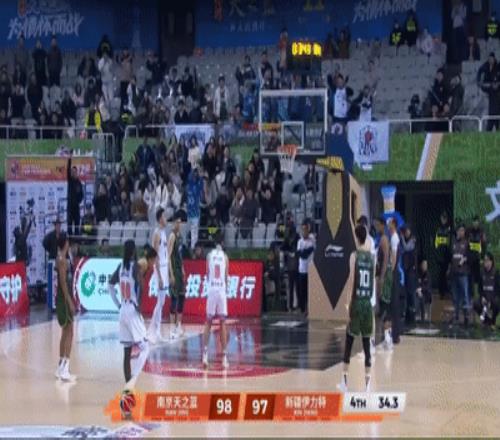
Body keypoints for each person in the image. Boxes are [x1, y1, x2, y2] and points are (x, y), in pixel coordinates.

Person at [108, 241, 153, 392]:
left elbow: (110, 285)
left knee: (127, 352)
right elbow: (141, 286)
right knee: (145, 348)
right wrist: (138, 305)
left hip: (123, 309)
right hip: (132, 310)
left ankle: (128, 388)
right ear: (134, 251)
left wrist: (118, 304)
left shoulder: (121, 267)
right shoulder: (135, 267)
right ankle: (133, 379)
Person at [338, 225, 374, 393]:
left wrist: (347, 304)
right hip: (367, 303)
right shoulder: (372, 257)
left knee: (349, 343)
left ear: (356, 237)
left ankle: (344, 383)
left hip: (357, 301)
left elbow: (352, 280)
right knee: (367, 344)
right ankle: (368, 385)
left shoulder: (354, 256)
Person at [202, 233, 230, 369]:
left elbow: (207, 274)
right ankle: (224, 357)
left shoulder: (209, 256)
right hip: (221, 291)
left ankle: (205, 354)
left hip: (212, 289)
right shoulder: (225, 257)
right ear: (222, 244)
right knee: (222, 322)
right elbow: (226, 277)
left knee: (208, 322)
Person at [55, 233, 76, 382]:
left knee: (65, 331)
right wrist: (69, 301)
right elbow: (63, 283)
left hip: (64, 296)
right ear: (66, 243)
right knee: (70, 331)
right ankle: (66, 368)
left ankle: (61, 365)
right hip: (64, 297)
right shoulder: (61, 260)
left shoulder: (63, 257)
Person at [148, 208, 169, 343]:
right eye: (164, 217)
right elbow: (154, 255)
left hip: (165, 268)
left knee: (162, 302)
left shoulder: (163, 232)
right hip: (160, 268)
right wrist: (160, 276)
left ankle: (156, 331)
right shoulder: (156, 234)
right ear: (160, 218)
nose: (166, 219)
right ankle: (152, 331)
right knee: (160, 301)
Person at [357, 216, 377, 354]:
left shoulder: (370, 241)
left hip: (368, 280)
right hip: (362, 280)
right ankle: (366, 343)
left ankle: (371, 341)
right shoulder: (360, 241)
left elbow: (372, 262)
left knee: (369, 311)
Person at [374, 217, 393, 350]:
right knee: (383, 306)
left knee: (385, 305)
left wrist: (382, 276)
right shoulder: (382, 238)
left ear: (382, 225)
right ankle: (386, 338)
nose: (376, 227)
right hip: (384, 274)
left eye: (377, 225)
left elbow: (386, 259)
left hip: (386, 276)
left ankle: (387, 338)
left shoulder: (384, 239)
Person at [168, 213, 186, 339]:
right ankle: (171, 328)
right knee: (174, 299)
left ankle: (179, 325)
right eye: (177, 222)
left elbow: (180, 256)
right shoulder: (172, 236)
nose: (179, 224)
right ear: (173, 223)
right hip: (174, 270)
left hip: (180, 271)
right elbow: (168, 256)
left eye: (180, 222)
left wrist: (183, 269)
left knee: (182, 297)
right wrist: (171, 274)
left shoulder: (180, 237)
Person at [449, 223, 471, 325]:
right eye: (460, 230)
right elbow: (451, 257)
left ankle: (466, 317)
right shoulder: (453, 243)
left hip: (463, 273)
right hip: (454, 273)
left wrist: (465, 259)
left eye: (463, 230)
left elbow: (470, 256)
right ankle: (456, 316)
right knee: (455, 296)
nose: (461, 232)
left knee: (465, 295)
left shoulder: (466, 243)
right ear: (457, 231)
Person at [473, 252, 500, 327]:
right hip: (484, 297)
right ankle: (487, 321)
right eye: (484, 260)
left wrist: (491, 300)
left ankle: (493, 320)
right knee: (476, 303)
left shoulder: (496, 273)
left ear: (491, 261)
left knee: (496, 303)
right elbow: (480, 288)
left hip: (493, 298)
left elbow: (498, 289)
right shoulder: (481, 273)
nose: (485, 262)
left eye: (487, 260)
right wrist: (482, 297)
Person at [477, 53, 500, 131]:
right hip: (490, 93)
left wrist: (496, 85)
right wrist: (487, 85)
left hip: (496, 94)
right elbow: (481, 80)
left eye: (492, 58)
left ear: (494, 59)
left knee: (495, 117)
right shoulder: (485, 67)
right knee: (492, 116)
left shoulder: (498, 67)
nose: (490, 60)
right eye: (489, 58)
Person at [297, 219, 315, 314]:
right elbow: (301, 255)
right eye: (303, 230)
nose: (304, 232)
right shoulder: (299, 242)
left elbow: (308, 252)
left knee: (309, 291)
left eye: (305, 229)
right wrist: (305, 251)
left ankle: (309, 308)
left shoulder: (312, 240)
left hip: (310, 270)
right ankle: (302, 308)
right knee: (302, 291)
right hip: (302, 270)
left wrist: (305, 251)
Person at [401, 225, 417, 325]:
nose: (406, 233)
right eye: (405, 231)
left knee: (411, 292)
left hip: (411, 270)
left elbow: (407, 248)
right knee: (406, 292)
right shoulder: (403, 241)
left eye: (407, 231)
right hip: (405, 269)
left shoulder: (412, 240)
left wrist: (402, 238)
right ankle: (407, 312)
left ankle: (413, 311)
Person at [468, 215, 487, 296]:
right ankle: (471, 293)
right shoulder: (469, 231)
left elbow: (484, 246)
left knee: (478, 276)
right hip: (470, 258)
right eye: (474, 221)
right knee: (470, 275)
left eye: (476, 221)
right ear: (472, 222)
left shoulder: (482, 232)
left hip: (478, 258)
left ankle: (479, 293)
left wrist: (482, 258)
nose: (475, 223)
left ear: (478, 222)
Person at [434, 211, 452, 299]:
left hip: (446, 255)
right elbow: (436, 242)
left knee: (446, 274)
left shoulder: (449, 229)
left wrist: (449, 256)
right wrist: (437, 254)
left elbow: (450, 243)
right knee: (440, 275)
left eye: (445, 218)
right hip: (439, 256)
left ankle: (446, 291)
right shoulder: (438, 229)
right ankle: (441, 292)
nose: (443, 220)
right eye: (442, 218)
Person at [68, 166, 84, 237]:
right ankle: (70, 240)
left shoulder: (79, 182)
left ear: (77, 173)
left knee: (77, 225)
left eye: (75, 172)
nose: (73, 173)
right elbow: (68, 171)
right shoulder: (69, 180)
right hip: (70, 207)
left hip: (76, 207)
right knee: (69, 225)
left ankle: (77, 240)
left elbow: (81, 194)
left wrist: (78, 201)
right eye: (72, 172)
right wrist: (69, 160)